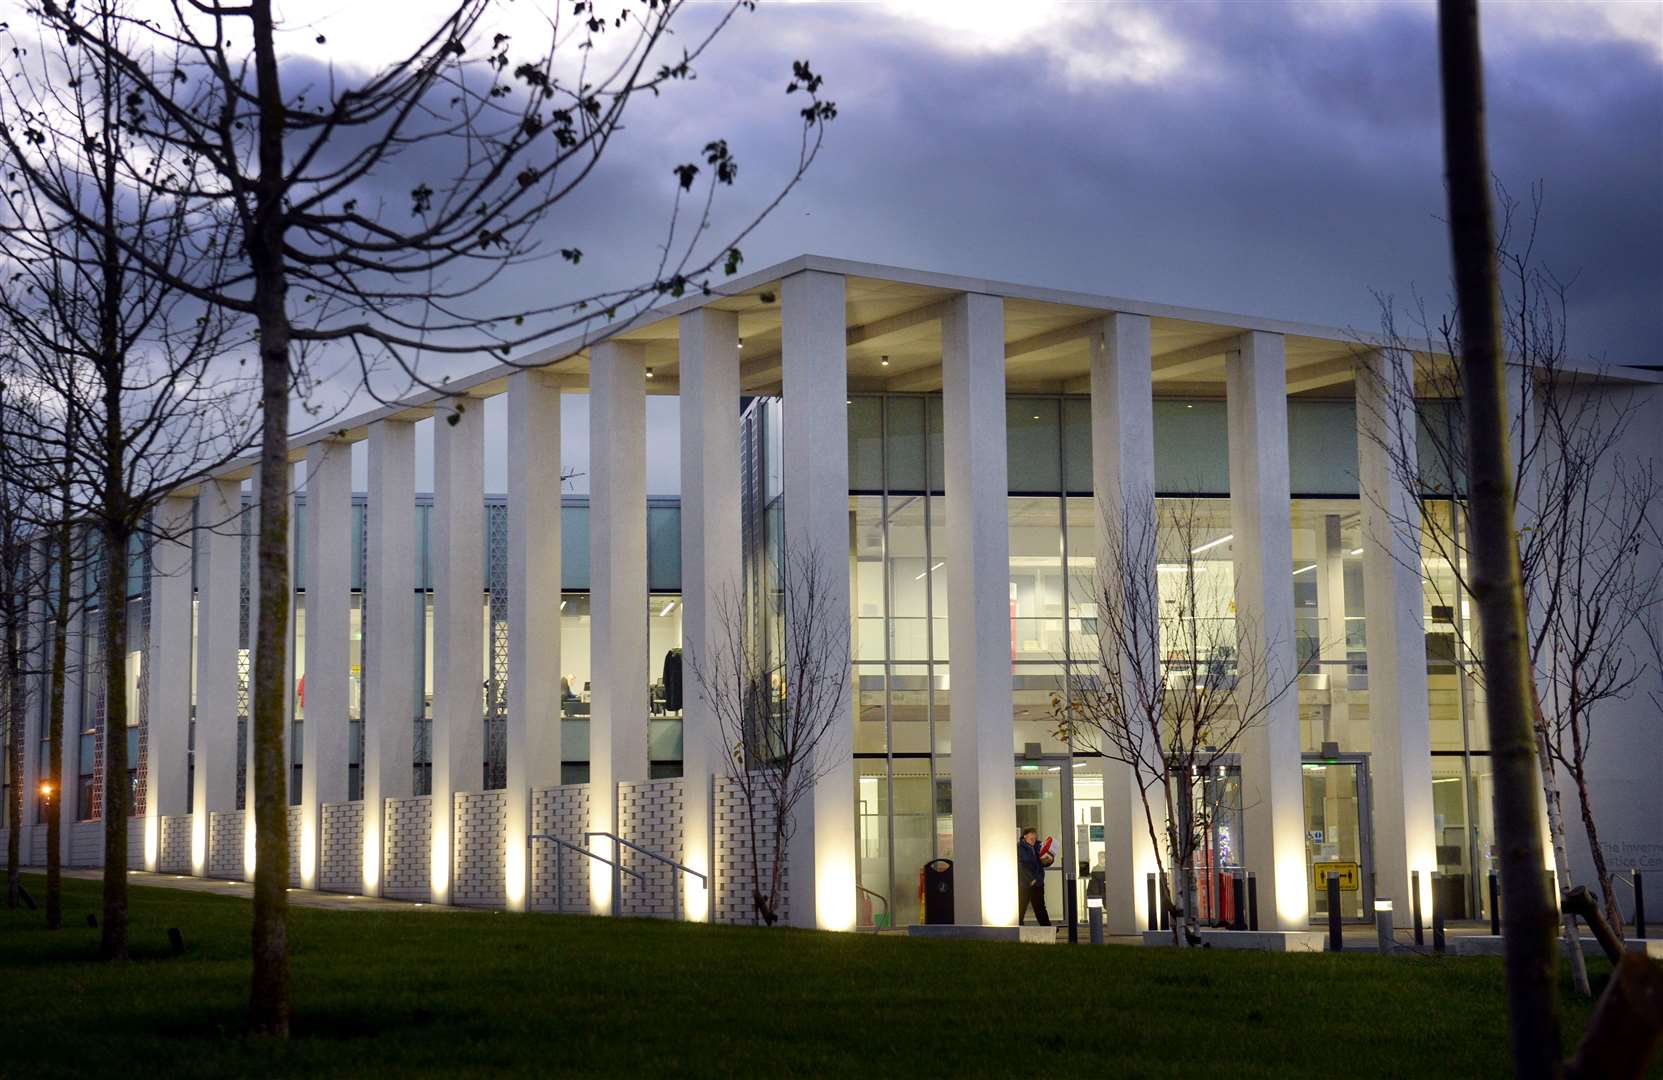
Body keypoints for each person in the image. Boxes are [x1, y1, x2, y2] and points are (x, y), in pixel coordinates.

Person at [1018, 828, 1052, 926]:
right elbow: (1021, 866)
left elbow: (1043, 863)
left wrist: (1048, 861)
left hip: (1038, 882)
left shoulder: (1039, 846)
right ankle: (1018, 927)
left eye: (1035, 837)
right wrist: (1030, 879)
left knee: (1040, 907)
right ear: (1025, 836)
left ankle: (1047, 927)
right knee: (1021, 906)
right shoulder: (1020, 848)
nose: (1033, 839)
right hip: (1025, 884)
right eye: (1031, 837)